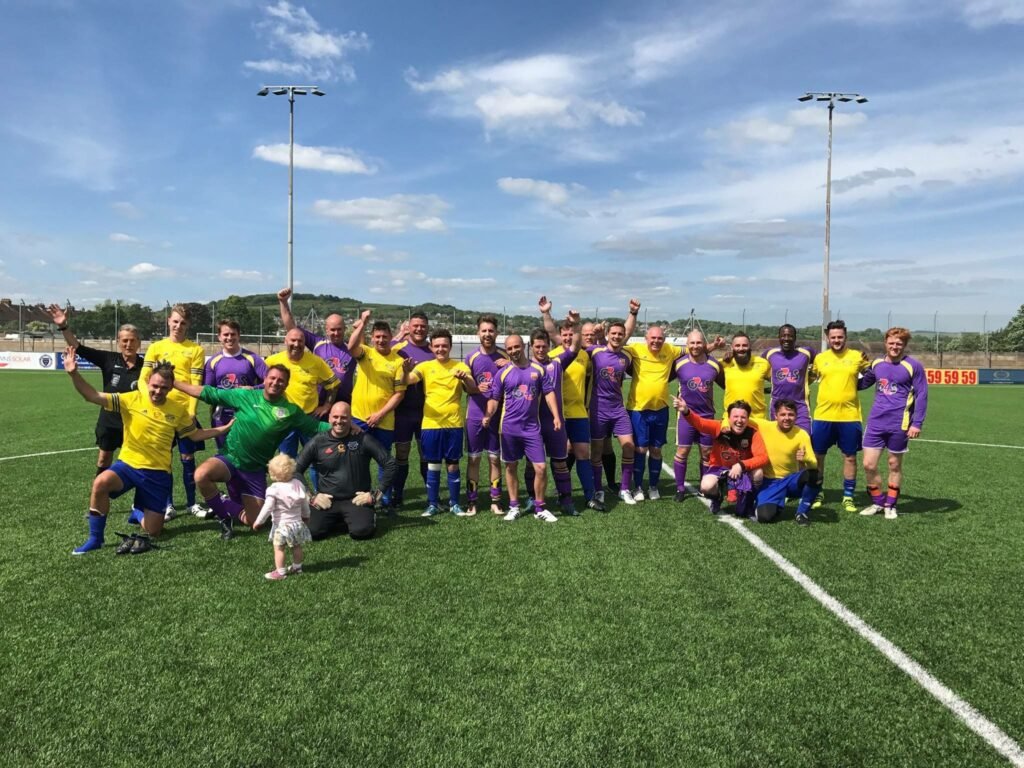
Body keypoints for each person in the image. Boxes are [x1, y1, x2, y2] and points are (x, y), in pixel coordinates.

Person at [65, 352, 229, 555]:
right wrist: (74, 374)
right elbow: (93, 396)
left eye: (164, 387)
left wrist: (223, 429)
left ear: (170, 387)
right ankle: (95, 539)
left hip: (157, 474)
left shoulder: (178, 410)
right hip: (128, 465)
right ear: (148, 381)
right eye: (155, 386)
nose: (158, 391)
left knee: (154, 531)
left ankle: (137, 510)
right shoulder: (131, 399)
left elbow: (195, 435)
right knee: (100, 483)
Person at [171, 364, 331, 539]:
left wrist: (344, 425)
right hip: (230, 459)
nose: (275, 382)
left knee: (254, 522)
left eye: (281, 380)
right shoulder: (245, 396)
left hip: (254, 470)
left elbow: (316, 427)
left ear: (286, 385)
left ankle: (223, 500)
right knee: (201, 475)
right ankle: (224, 518)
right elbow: (209, 393)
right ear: (265, 379)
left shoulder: (291, 411)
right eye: (272, 378)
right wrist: (174, 383)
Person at [48, 304, 145, 521]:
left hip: (135, 424)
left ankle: (139, 504)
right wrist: (63, 327)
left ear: (139, 342)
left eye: (132, 340)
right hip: (109, 421)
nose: (128, 344)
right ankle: (97, 501)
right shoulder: (109, 360)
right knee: (103, 459)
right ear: (118, 342)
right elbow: (78, 347)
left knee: (138, 463)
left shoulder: (146, 366)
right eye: (124, 340)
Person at [401, 329, 481, 516]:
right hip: (431, 424)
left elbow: (473, 389)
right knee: (433, 465)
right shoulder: (425, 366)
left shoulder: (460, 366)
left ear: (450, 347)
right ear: (431, 347)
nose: (440, 349)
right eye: (437, 346)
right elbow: (407, 381)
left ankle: (454, 504)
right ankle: (433, 504)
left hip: (453, 424)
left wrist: (465, 378)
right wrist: (405, 371)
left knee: (452, 465)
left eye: (444, 346)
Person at [140, 304, 207, 519]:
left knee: (187, 458)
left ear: (188, 325)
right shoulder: (155, 347)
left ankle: (191, 503)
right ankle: (167, 504)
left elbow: (196, 382)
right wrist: (149, 404)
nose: (178, 326)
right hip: (160, 413)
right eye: (175, 321)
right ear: (169, 321)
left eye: (183, 323)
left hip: (183, 414)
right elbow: (143, 379)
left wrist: (192, 412)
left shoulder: (196, 350)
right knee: (164, 460)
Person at [484, 334, 560, 523]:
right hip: (509, 428)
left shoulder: (538, 370)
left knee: (541, 468)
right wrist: (488, 415)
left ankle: (540, 507)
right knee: (511, 467)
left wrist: (556, 416)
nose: (513, 351)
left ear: (524, 346)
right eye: (509, 348)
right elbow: (494, 399)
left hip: (532, 429)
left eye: (516, 347)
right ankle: (514, 506)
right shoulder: (503, 373)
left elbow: (549, 393)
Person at [296, 402, 396, 540]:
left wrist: (375, 496)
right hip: (327, 500)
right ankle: (342, 519)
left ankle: (357, 517)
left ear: (350, 419)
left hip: (356, 499)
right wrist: (311, 497)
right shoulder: (318, 441)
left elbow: (390, 464)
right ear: (329, 418)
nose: (339, 421)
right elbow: (295, 469)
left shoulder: (363, 439)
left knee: (362, 531)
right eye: (335, 417)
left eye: (344, 417)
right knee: (312, 531)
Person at [857, 327, 929, 520]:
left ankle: (891, 505)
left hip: (900, 424)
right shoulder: (877, 363)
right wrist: (853, 370)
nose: (895, 346)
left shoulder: (913, 366)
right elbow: (861, 384)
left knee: (894, 465)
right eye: (891, 343)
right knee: (868, 464)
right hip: (875, 422)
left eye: (899, 343)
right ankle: (877, 502)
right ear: (885, 343)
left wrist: (917, 423)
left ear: (904, 345)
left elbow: (922, 395)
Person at [623, 299, 684, 501]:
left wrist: (713, 346)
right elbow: (620, 340)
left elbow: (695, 350)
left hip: (661, 409)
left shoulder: (670, 350)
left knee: (656, 449)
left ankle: (654, 487)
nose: (656, 341)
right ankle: (639, 487)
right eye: (653, 338)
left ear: (664, 340)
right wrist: (632, 313)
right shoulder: (635, 349)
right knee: (640, 449)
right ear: (646, 338)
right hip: (638, 409)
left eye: (660, 338)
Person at [540, 300, 598, 510]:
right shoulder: (551, 357)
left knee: (583, 454)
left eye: (570, 334)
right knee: (560, 455)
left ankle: (590, 496)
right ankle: (562, 493)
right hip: (558, 415)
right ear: (559, 336)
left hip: (579, 412)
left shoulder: (584, 355)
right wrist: (546, 313)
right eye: (563, 335)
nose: (567, 337)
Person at [809, 319, 871, 512]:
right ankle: (817, 492)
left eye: (840, 337)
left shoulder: (857, 356)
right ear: (827, 338)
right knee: (818, 456)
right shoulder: (820, 358)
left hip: (849, 417)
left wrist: (857, 386)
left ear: (846, 337)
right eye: (833, 337)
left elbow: (871, 373)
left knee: (850, 457)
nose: (837, 340)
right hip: (823, 415)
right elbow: (809, 377)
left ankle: (848, 496)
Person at [671, 395, 769, 516]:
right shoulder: (719, 427)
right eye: (736, 416)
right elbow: (700, 423)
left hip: (743, 471)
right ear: (729, 417)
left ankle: (749, 502)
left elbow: (763, 457)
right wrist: (686, 411)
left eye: (743, 417)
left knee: (758, 473)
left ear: (748, 419)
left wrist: (741, 465)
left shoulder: (753, 433)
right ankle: (718, 497)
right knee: (706, 486)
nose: (739, 420)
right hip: (721, 469)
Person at [526, 310, 583, 515]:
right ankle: (532, 499)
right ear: (531, 347)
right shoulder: (524, 367)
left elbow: (575, 346)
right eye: (537, 346)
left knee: (560, 462)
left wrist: (576, 324)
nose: (541, 349)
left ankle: (565, 500)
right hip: (532, 424)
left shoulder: (557, 363)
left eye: (544, 346)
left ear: (550, 346)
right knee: (532, 464)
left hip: (555, 423)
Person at [347, 310, 406, 502]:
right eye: (377, 337)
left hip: (384, 421)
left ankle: (384, 500)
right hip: (359, 418)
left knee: (384, 462)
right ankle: (356, 498)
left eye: (384, 337)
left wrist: (380, 414)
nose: (381, 340)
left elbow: (399, 393)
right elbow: (351, 346)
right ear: (372, 338)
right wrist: (363, 323)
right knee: (356, 460)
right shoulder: (366, 353)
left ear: (390, 337)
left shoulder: (398, 361)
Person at [265, 328, 339, 465]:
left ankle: (317, 480)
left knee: (316, 459)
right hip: (284, 418)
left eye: (300, 341)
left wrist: (327, 405)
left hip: (309, 418)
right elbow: (260, 384)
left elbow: (333, 384)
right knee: (286, 461)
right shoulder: (272, 361)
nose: (296, 344)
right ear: (285, 341)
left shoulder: (316, 362)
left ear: (305, 343)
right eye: (293, 340)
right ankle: (289, 480)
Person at [586, 321, 638, 507]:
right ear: (608, 335)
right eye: (613, 333)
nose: (616, 336)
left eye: (620, 334)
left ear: (624, 336)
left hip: (618, 409)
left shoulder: (627, 356)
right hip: (597, 409)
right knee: (597, 451)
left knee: (629, 446)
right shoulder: (594, 352)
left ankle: (624, 489)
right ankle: (598, 489)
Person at [670, 330, 724, 501]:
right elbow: (662, 379)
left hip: (707, 416)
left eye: (698, 343)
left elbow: (726, 385)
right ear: (687, 345)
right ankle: (680, 489)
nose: (695, 346)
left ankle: (704, 486)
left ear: (704, 344)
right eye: (692, 343)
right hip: (685, 415)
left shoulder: (714, 365)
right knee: (682, 450)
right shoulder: (679, 363)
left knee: (706, 453)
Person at [277, 287, 356, 405]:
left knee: (340, 414)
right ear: (326, 330)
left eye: (339, 329)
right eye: (332, 330)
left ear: (345, 329)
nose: (336, 333)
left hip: (342, 404)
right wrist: (283, 302)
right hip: (318, 403)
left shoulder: (352, 349)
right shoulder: (318, 343)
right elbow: (292, 329)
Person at [465, 314, 510, 515]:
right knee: (474, 459)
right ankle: (472, 501)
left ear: (497, 333)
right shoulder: (471, 358)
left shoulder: (505, 356)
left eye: (491, 330)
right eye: (484, 330)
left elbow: (517, 376)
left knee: (494, 459)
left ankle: (495, 500)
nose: (487, 334)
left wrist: (509, 364)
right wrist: (475, 388)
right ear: (478, 333)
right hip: (474, 415)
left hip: (497, 417)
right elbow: (465, 388)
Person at [390, 311, 435, 510]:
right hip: (402, 412)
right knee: (402, 453)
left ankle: (431, 496)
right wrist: (398, 336)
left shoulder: (433, 350)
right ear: (409, 327)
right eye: (415, 325)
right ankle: (397, 494)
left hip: (427, 412)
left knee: (426, 454)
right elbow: (380, 350)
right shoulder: (398, 348)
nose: (419, 329)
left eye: (423, 326)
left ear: (427, 328)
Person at [204, 319, 268, 452]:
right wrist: (223, 397)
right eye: (226, 334)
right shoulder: (212, 362)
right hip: (221, 416)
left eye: (233, 334)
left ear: (239, 335)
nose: (229, 338)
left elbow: (270, 383)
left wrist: (254, 389)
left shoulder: (252, 358)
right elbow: (207, 391)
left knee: (247, 452)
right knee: (224, 453)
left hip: (247, 413)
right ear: (219, 337)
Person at [752, 399, 818, 526]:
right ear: (775, 415)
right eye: (783, 414)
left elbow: (814, 464)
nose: (787, 418)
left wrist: (806, 459)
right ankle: (774, 502)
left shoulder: (801, 434)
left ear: (796, 416)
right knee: (764, 517)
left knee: (815, 475)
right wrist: (726, 424)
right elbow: (741, 418)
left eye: (791, 415)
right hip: (769, 482)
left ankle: (802, 513)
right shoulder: (765, 426)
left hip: (790, 480)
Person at [252, 453, 311, 580]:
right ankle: (297, 567)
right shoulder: (298, 484)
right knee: (296, 546)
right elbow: (304, 503)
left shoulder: (274, 489)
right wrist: (306, 515)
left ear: (272, 474)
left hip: (282, 526)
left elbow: (267, 508)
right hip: (297, 524)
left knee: (279, 548)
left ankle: (280, 572)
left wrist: (259, 521)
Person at [763, 324, 816, 432]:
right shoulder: (770, 354)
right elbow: (755, 365)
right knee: (779, 440)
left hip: (800, 407)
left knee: (804, 438)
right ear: (779, 337)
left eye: (790, 336)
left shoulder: (806, 353)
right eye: (783, 335)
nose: (786, 338)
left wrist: (811, 378)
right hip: (777, 406)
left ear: (795, 338)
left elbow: (822, 360)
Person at [720, 332, 772, 420]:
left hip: (758, 420)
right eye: (737, 345)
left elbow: (778, 382)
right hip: (731, 419)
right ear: (732, 348)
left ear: (750, 347)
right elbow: (701, 360)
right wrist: (714, 346)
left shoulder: (763, 363)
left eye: (744, 345)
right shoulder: (723, 363)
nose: (741, 348)